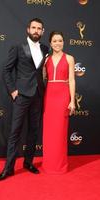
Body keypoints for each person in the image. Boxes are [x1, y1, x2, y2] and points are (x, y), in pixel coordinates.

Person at [0, 18, 48, 181]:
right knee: (15, 132)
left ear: (42, 32)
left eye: (39, 28)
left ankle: (28, 162)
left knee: (33, 131)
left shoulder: (46, 49)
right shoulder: (18, 47)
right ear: (28, 29)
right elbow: (7, 70)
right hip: (21, 95)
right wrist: (12, 91)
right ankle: (8, 168)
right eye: (33, 28)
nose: (36, 31)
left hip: (38, 95)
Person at [42, 31, 75, 174]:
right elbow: (42, 78)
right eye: (55, 41)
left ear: (64, 42)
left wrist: (72, 100)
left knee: (60, 131)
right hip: (49, 95)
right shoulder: (46, 59)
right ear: (50, 43)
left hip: (63, 95)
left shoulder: (69, 58)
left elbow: (72, 79)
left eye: (60, 40)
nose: (57, 43)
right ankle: (48, 165)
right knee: (49, 131)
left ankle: (60, 165)